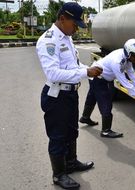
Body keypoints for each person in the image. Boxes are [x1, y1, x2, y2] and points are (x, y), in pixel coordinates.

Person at [36, 2, 102, 189]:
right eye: (74, 24)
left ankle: (71, 163)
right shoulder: (48, 40)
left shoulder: (66, 37)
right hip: (56, 97)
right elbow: (53, 74)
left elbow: (74, 66)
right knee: (58, 136)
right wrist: (86, 73)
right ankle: (58, 175)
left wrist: (88, 69)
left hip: (70, 95)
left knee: (72, 131)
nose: (76, 29)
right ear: (62, 19)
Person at [79, 39, 135, 138]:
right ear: (129, 53)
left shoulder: (127, 58)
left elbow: (131, 74)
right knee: (106, 102)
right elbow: (123, 81)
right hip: (98, 77)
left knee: (92, 96)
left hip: (99, 77)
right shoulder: (117, 60)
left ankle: (85, 117)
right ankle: (106, 131)